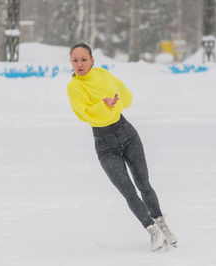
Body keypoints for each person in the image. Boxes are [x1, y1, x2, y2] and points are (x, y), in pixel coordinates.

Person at [66, 43, 177, 251]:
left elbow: (126, 97)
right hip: (104, 144)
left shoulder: (103, 75)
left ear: (92, 60)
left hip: (127, 133)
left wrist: (114, 103)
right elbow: (85, 113)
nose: (79, 64)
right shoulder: (74, 87)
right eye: (75, 60)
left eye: (83, 59)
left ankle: (162, 224)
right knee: (128, 191)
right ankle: (152, 230)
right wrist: (103, 105)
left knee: (144, 183)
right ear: (71, 63)